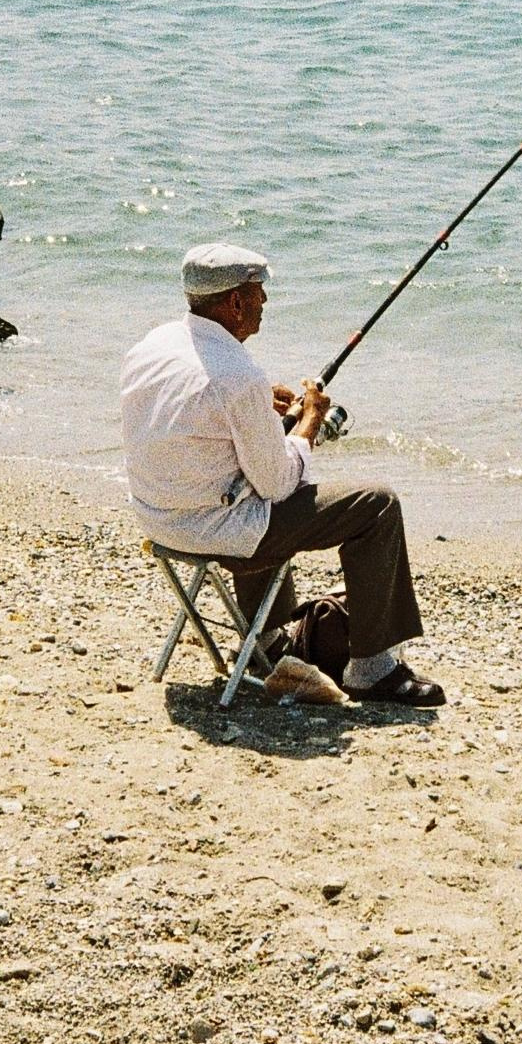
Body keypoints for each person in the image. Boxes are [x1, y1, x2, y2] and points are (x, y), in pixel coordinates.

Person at [120, 242, 444, 707]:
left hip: (160, 521)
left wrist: (262, 413)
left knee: (253, 485)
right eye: (258, 292)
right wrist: (309, 420)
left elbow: (197, 421)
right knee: (377, 503)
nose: (265, 303)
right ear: (234, 302)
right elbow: (278, 483)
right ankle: (373, 670)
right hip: (215, 531)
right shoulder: (236, 376)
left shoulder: (154, 345)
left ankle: (267, 643)